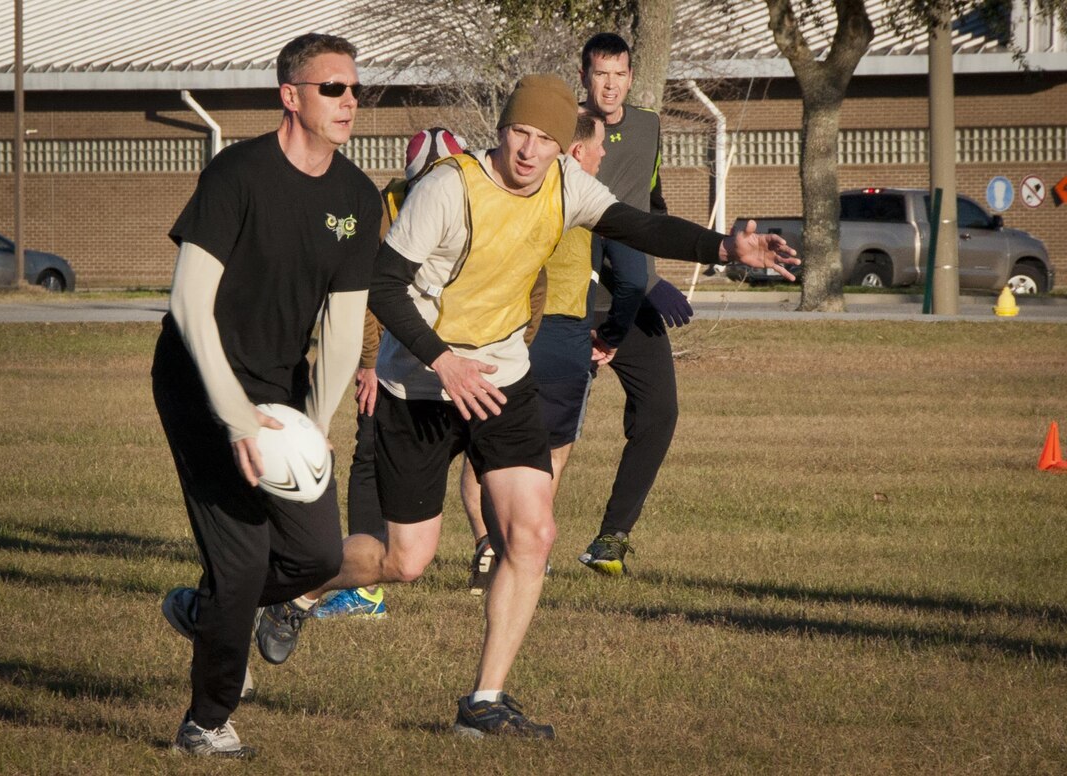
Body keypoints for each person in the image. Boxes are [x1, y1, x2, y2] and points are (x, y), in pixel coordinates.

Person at [258, 73, 797, 739]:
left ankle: (484, 703)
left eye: (546, 139)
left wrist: (722, 249)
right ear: (503, 130)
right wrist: (443, 359)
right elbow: (384, 285)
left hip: (502, 380)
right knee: (406, 561)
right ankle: (291, 590)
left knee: (534, 534)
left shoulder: (568, 184)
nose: (528, 151)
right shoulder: (448, 187)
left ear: (563, 147)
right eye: (520, 133)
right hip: (422, 386)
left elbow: (638, 223)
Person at [153, 32, 381, 758]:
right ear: (291, 96)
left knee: (315, 556)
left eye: (355, 89)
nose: (350, 101)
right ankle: (206, 721)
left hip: (281, 391)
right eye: (333, 89)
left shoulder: (356, 195)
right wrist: (232, 418)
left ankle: (209, 609)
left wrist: (312, 427)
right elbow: (190, 304)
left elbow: (344, 331)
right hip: (200, 380)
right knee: (245, 560)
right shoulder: (236, 175)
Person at [463, 109, 615, 595]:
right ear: (575, 152)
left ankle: (490, 545)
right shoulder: (585, 205)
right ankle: (527, 552)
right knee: (548, 456)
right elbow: (631, 278)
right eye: (598, 147)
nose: (604, 154)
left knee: (480, 457)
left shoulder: (509, 196)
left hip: (504, 336)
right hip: (561, 340)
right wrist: (612, 333)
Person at [316, 127, 465, 619]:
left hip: (465, 364)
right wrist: (368, 364)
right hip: (395, 363)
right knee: (370, 456)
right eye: (430, 178)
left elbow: (532, 287)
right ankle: (364, 587)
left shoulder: (480, 200)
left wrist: (510, 351)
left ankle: (503, 561)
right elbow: (364, 298)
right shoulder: (382, 214)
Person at [577, 31, 696, 577]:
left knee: (659, 412)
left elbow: (652, 202)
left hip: (635, 293)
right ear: (585, 77)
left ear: (630, 76)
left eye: (619, 73)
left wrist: (652, 272)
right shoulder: (567, 129)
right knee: (541, 426)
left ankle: (611, 539)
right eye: (600, 73)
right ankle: (500, 546)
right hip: (576, 297)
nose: (610, 84)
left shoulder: (648, 125)